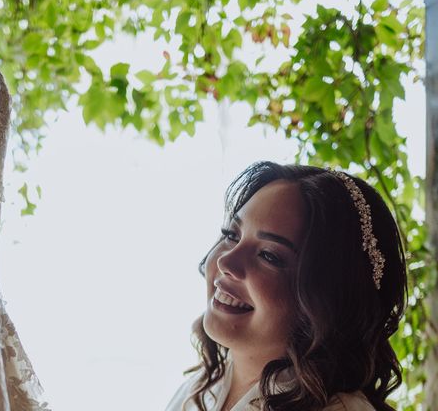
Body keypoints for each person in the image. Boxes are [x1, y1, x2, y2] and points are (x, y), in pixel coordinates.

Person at [165, 162, 407, 411]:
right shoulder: (199, 388)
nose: (226, 261)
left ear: (327, 298)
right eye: (231, 235)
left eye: (269, 255)